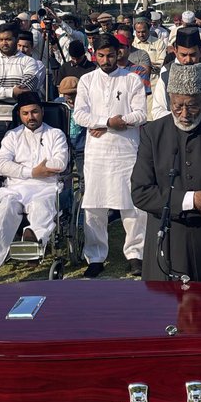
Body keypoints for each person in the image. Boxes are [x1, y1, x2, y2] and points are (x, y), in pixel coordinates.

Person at [131, 62, 201, 282]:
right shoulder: (153, 133)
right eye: (177, 105)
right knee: (166, 312)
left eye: (191, 106)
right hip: (167, 239)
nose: (184, 114)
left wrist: (177, 202)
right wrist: (193, 200)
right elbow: (141, 192)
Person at [0, 94, 70, 282]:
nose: (30, 117)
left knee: (41, 206)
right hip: (16, 187)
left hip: (45, 187)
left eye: (34, 112)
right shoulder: (12, 135)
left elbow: (60, 162)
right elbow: (1, 165)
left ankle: (32, 242)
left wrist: (22, 170)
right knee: (5, 209)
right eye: (25, 113)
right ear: (20, 115)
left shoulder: (55, 134)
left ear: (42, 112)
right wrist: (32, 171)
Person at [73, 34, 148, 277]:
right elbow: (79, 116)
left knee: (132, 206)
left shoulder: (132, 79)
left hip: (126, 150)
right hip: (97, 153)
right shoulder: (86, 80)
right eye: (101, 55)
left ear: (119, 54)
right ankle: (95, 257)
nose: (106, 60)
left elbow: (141, 114)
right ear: (94, 54)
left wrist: (118, 122)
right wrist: (106, 122)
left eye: (111, 55)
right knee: (94, 206)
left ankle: (135, 254)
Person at [0, 22, 39, 162]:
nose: (4, 43)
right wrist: (11, 92)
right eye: (1, 40)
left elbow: (27, 88)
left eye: (8, 39)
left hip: (20, 118)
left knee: (21, 159)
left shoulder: (29, 62)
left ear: (16, 39)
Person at [151, 28, 201, 120]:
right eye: (183, 55)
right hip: (173, 131)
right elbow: (158, 110)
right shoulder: (165, 75)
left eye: (192, 55)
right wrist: (181, 123)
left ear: (200, 51)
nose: (188, 60)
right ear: (175, 51)